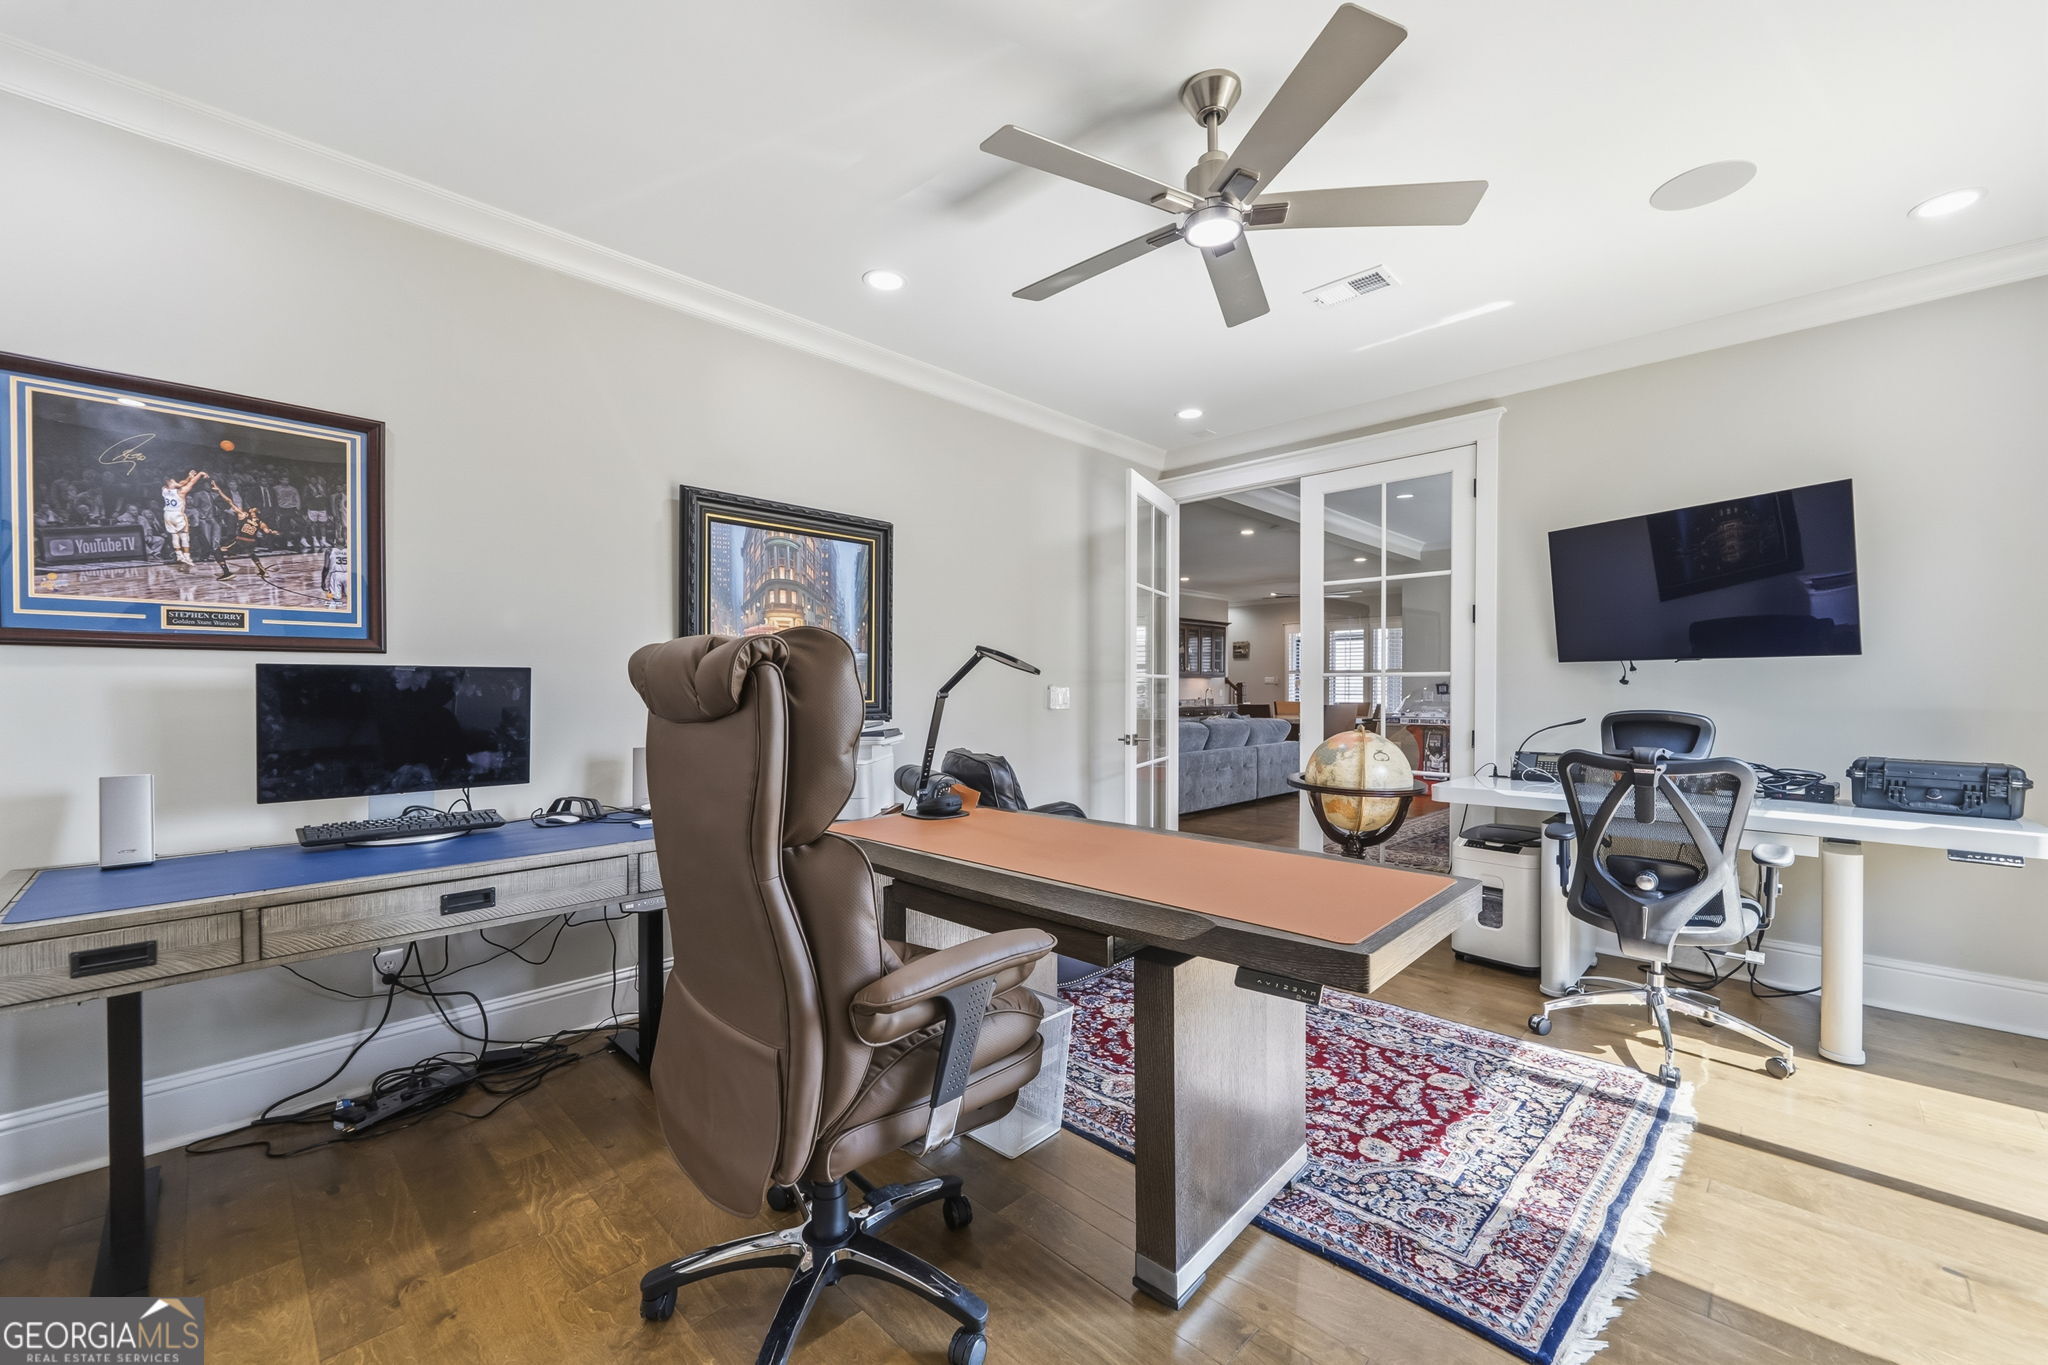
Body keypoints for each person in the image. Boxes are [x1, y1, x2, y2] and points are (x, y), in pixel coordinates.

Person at [205, 477, 275, 581]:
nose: (250, 508)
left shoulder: (243, 515)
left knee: (216, 551)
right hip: (251, 542)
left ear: (251, 512)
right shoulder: (259, 521)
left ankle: (227, 573)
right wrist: (270, 532)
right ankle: (262, 570)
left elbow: (229, 501)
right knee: (251, 553)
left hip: (241, 541)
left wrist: (219, 490)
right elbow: (266, 530)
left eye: (251, 509)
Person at [159, 469, 209, 570]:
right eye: (173, 481)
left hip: (167, 515)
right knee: (184, 536)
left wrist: (188, 476)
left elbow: (181, 483)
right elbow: (190, 483)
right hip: (178, 515)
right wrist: (199, 474)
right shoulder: (182, 492)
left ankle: (179, 555)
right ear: (170, 482)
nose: (176, 482)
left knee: (174, 535)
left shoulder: (164, 489)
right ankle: (187, 556)